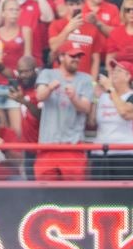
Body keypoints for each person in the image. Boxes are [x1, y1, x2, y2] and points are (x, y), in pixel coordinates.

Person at [35, 45, 93, 180]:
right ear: (61, 57)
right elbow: (39, 96)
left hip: (72, 146)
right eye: (72, 56)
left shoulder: (85, 79)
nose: (76, 59)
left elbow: (86, 108)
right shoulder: (47, 74)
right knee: (45, 195)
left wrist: (74, 98)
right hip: (48, 144)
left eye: (79, 56)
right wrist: (50, 88)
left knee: (73, 197)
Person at [90, 59, 133, 179]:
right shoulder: (103, 96)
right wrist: (95, 98)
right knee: (99, 195)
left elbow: (124, 112)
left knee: (124, 195)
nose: (114, 73)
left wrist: (110, 89)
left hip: (126, 152)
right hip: (100, 152)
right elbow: (91, 122)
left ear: (128, 76)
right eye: (113, 71)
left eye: (119, 71)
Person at [0, 0, 32, 132]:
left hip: (14, 85)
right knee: (0, 129)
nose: (14, 12)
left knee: (17, 131)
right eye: (11, 9)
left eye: (17, 10)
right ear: (3, 13)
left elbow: (28, 60)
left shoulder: (25, 31)